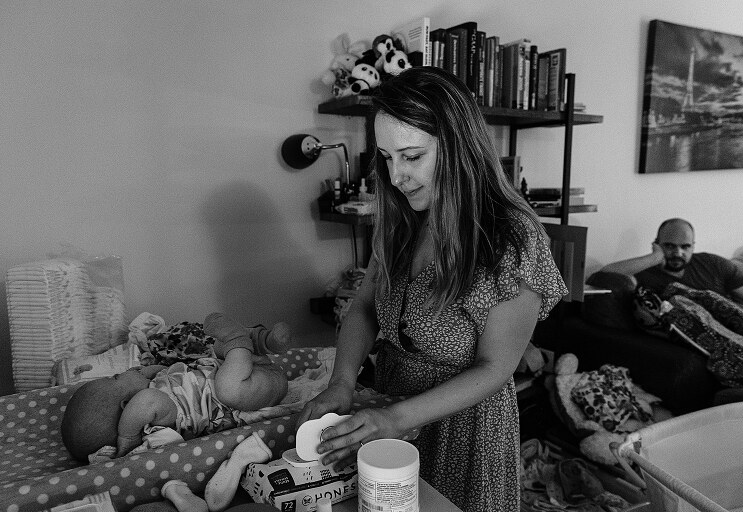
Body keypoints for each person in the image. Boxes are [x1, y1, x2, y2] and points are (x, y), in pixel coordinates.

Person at [297, 66, 568, 512]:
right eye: (386, 157)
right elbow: (365, 307)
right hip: (390, 401)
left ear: (459, 148)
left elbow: (495, 367)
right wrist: (342, 382)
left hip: (465, 431)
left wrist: (393, 418)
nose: (396, 176)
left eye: (411, 156)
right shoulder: (402, 217)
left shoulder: (512, 239)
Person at [61, 313, 289, 462]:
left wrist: (148, 371)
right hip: (251, 391)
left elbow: (157, 373)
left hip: (239, 369)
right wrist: (127, 436)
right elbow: (145, 401)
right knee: (227, 388)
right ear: (127, 406)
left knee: (219, 349)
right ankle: (239, 339)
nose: (128, 372)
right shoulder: (158, 419)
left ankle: (263, 342)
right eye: (116, 378)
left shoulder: (156, 386)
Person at [600, 218, 743, 319]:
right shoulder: (644, 274)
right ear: (657, 244)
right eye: (669, 246)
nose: (678, 253)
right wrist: (654, 258)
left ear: (693, 246)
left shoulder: (714, 264)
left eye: (685, 247)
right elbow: (603, 276)